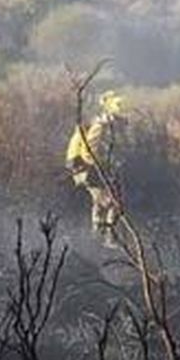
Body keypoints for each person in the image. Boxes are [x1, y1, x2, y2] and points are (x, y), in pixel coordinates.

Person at [66, 90, 126, 246]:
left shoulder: (95, 125)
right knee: (113, 202)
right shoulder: (100, 126)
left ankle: (97, 236)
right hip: (88, 170)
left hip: (83, 170)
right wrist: (102, 166)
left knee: (99, 202)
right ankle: (109, 237)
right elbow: (89, 152)